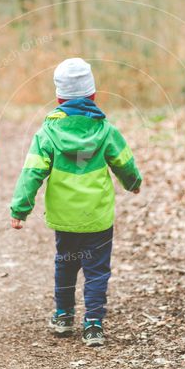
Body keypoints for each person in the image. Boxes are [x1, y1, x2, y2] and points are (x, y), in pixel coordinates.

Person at [9, 58, 142, 346]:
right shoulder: (105, 130)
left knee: (66, 264)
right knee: (97, 269)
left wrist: (20, 209)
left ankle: (63, 316)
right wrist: (133, 183)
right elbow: (124, 162)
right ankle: (93, 323)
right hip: (97, 217)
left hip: (65, 218)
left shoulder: (48, 133)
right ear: (93, 95)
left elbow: (32, 172)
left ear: (59, 97)